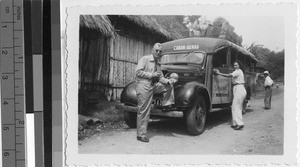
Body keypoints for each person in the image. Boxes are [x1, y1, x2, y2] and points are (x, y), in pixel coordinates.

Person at [135, 43, 177, 142]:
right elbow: (138, 72)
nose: (158, 52)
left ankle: (166, 105)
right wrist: (151, 75)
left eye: (160, 51)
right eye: (156, 50)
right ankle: (140, 135)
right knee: (144, 111)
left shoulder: (158, 64)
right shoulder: (145, 59)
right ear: (152, 51)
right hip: (144, 87)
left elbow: (160, 77)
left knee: (168, 85)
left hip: (153, 86)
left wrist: (168, 81)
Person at [213, 60, 246, 130]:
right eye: (234, 65)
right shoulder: (237, 71)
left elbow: (229, 75)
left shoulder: (238, 71)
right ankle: (235, 123)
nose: (235, 66)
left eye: (236, 65)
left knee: (236, 107)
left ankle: (240, 123)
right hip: (237, 88)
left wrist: (219, 73)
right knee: (235, 106)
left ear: (239, 66)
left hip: (239, 88)